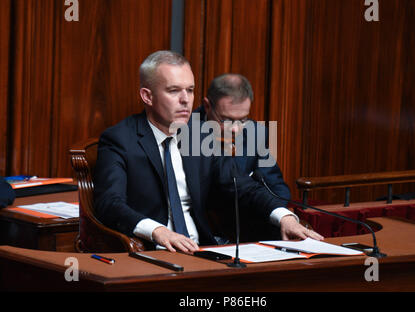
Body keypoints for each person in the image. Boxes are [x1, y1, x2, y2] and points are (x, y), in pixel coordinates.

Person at [93, 50, 323, 254]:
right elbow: (109, 204)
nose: (185, 100)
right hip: (152, 252)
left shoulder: (200, 135)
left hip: (205, 249)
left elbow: (241, 185)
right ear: (147, 96)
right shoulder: (120, 139)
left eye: (190, 90)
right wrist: (157, 231)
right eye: (174, 91)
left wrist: (284, 216)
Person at [195, 73, 291, 241]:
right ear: (207, 105)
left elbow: (276, 187)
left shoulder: (255, 132)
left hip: (247, 229)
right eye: (226, 119)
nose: (235, 129)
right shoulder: (186, 130)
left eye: (242, 120)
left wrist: (279, 215)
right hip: (202, 232)